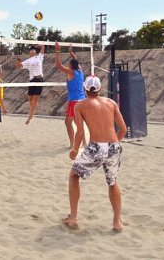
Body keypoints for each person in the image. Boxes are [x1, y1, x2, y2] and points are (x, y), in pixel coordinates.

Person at [63, 75, 127, 231]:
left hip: (96, 147)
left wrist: (75, 150)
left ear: (85, 89)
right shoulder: (111, 103)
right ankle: (117, 222)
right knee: (112, 183)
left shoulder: (80, 105)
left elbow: (79, 133)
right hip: (114, 146)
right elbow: (123, 129)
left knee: (73, 175)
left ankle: (73, 216)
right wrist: (114, 145)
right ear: (100, 88)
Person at [54, 42, 87, 149]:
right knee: (78, 123)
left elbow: (58, 66)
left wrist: (58, 51)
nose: (67, 65)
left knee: (68, 123)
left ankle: (72, 144)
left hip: (74, 101)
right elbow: (75, 59)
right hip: (82, 100)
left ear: (71, 66)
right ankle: (84, 142)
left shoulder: (71, 72)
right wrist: (70, 52)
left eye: (69, 64)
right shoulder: (80, 71)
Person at [15, 44, 45, 125]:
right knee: (30, 99)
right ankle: (32, 112)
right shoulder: (28, 61)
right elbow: (19, 65)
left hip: (39, 79)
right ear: (29, 53)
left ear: (35, 52)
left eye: (33, 50)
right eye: (31, 50)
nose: (32, 51)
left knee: (35, 98)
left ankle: (30, 115)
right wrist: (18, 61)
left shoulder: (39, 57)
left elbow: (43, 47)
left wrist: (36, 45)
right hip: (32, 80)